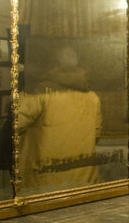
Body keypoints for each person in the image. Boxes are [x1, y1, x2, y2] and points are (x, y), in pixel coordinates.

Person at [16, 47, 103, 193]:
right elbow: (96, 134)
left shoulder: (40, 95)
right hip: (84, 180)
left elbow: (17, 123)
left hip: (45, 182)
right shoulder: (92, 98)